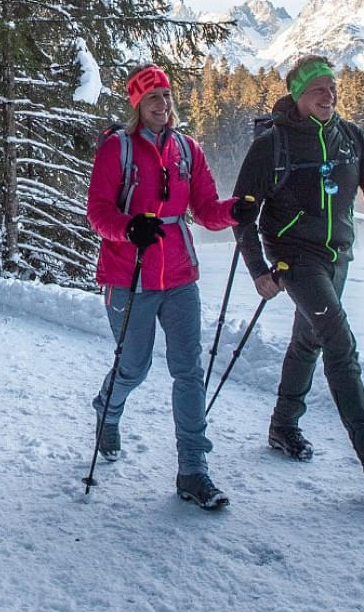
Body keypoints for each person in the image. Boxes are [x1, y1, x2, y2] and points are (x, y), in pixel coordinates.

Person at [230, 55, 364, 497]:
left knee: (309, 338)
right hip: (294, 257)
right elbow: (242, 215)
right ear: (298, 95)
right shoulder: (271, 145)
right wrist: (259, 271)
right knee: (338, 340)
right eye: (319, 89)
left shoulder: (351, 138)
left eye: (332, 88)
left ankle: (282, 426)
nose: (329, 95)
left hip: (338, 255)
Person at [85, 63, 251, 510]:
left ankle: (193, 469)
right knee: (134, 367)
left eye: (167, 96)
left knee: (188, 369)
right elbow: (98, 213)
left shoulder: (187, 149)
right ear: (138, 105)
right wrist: (129, 227)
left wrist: (235, 210)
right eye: (154, 98)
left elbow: (205, 209)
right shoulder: (116, 149)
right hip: (129, 275)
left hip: (179, 274)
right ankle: (108, 409)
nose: (164, 104)